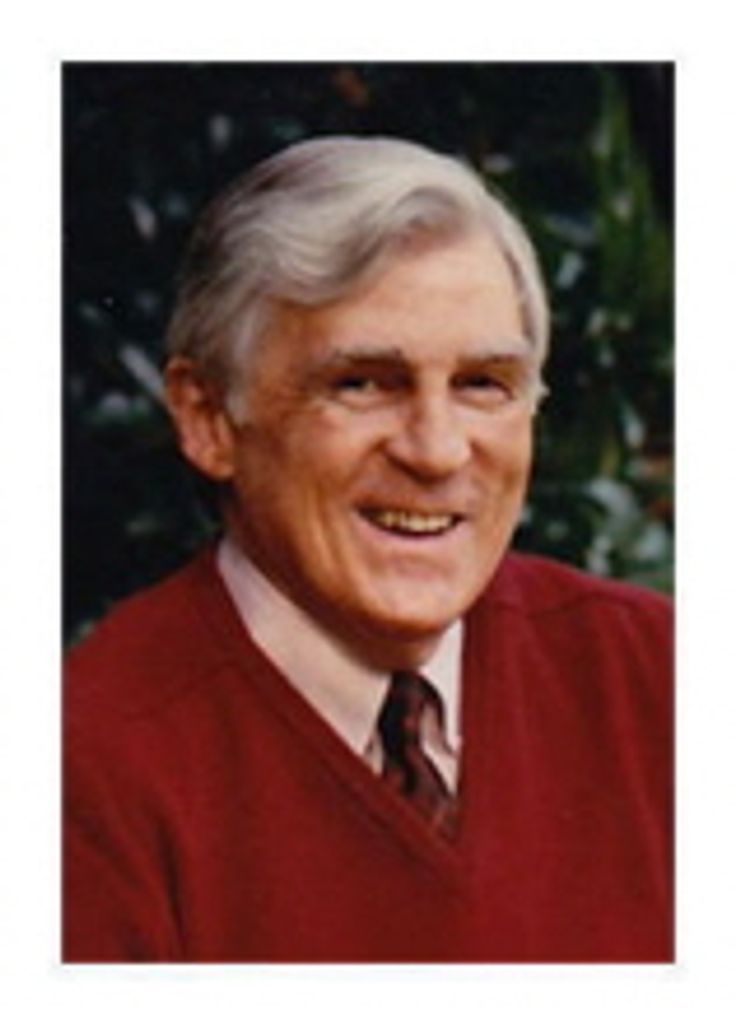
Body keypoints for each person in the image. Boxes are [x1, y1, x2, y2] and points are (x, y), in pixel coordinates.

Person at [63, 136, 672, 963]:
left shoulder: (659, 677)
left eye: (482, 384)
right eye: (360, 384)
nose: (437, 450)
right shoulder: (82, 770)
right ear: (208, 419)